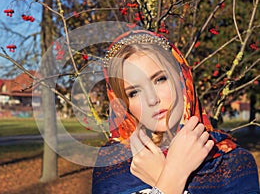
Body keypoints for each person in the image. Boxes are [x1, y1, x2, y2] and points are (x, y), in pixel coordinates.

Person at [92, 30, 259, 194]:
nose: (152, 100)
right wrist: (172, 179)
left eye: (160, 79)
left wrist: (167, 177)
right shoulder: (112, 164)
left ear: (182, 80)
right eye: (134, 92)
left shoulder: (231, 162)